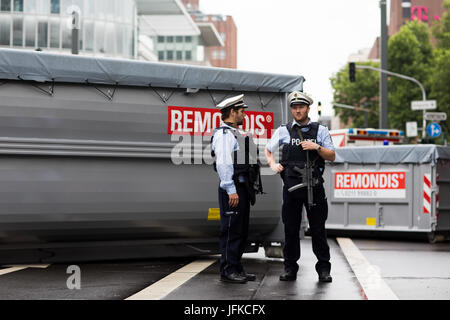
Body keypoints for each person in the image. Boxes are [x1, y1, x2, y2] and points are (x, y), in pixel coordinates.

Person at [264, 91, 335, 283]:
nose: (298, 110)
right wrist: (272, 164)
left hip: (314, 188)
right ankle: (290, 269)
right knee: (291, 230)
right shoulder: (283, 130)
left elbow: (332, 155)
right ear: (291, 110)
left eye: (301, 107)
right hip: (292, 188)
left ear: (308, 109)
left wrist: (317, 148)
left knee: (318, 230)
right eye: (294, 107)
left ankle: (323, 269)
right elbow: (268, 150)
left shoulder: (320, 130)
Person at [211, 94, 261, 284]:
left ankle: (236, 267)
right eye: (242, 111)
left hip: (241, 188)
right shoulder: (224, 135)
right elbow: (224, 164)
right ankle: (228, 270)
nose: (244, 115)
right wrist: (231, 189)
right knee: (231, 230)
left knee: (240, 230)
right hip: (232, 189)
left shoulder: (233, 133)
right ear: (232, 112)